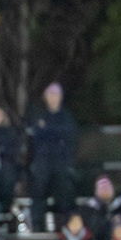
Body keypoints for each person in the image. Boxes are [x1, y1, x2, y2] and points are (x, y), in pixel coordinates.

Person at [26, 81, 79, 228]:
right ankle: (37, 227)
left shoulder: (67, 117)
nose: (53, 98)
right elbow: (36, 135)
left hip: (61, 161)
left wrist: (48, 131)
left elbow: (70, 136)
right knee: (38, 191)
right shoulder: (39, 116)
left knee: (64, 193)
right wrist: (54, 133)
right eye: (50, 94)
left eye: (56, 94)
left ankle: (64, 226)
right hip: (43, 160)